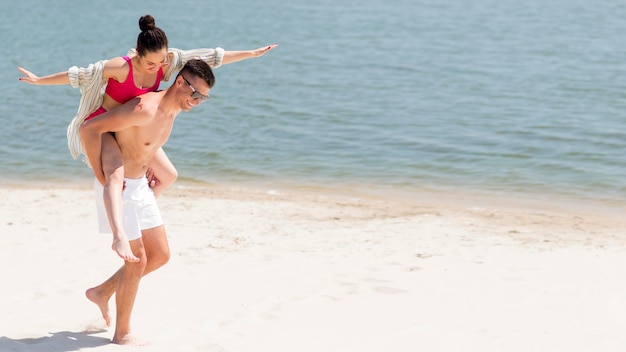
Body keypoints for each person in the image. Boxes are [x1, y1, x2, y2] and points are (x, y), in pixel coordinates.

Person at [18, 15, 277, 262]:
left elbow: (208, 57)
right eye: (151, 63)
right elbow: (80, 75)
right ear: (137, 54)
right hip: (106, 125)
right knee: (114, 177)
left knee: (169, 175)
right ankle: (119, 234)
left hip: (134, 125)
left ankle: (138, 209)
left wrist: (250, 54)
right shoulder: (121, 67)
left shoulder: (166, 64)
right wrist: (39, 80)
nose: (158, 68)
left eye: (162, 61)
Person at [79, 59, 215, 345]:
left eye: (203, 98)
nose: (198, 101)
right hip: (121, 185)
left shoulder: (174, 108)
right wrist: (101, 175)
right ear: (180, 83)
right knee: (137, 260)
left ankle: (102, 292)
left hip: (140, 185)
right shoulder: (144, 109)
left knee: (160, 255)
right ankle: (122, 333)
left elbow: (147, 144)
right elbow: (90, 129)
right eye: (195, 94)